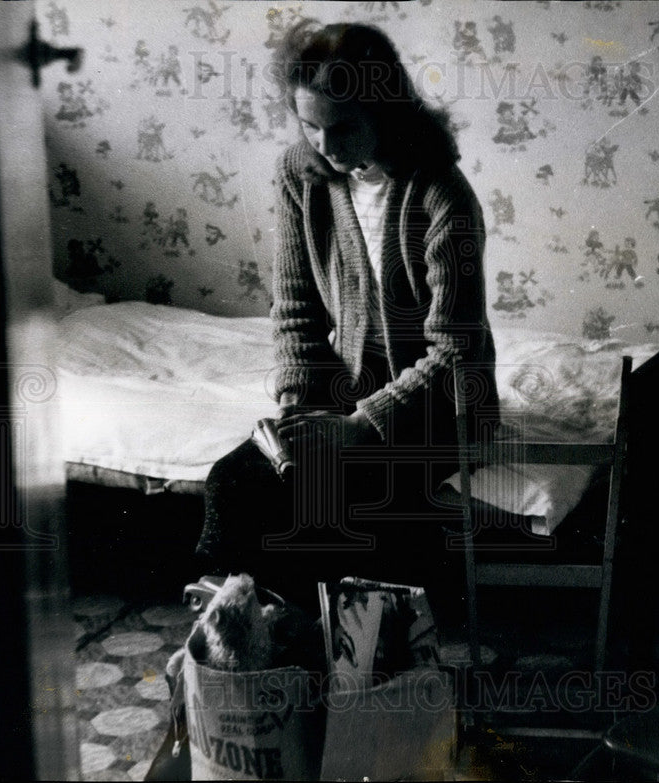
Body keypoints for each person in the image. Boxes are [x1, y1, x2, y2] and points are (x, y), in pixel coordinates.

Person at [196, 21, 498, 616]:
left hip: (438, 406)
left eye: (343, 127)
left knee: (337, 494)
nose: (325, 146)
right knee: (233, 480)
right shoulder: (299, 173)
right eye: (310, 125)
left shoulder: (442, 194)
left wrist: (360, 424)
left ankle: (324, 640)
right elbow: (296, 310)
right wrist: (295, 408)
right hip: (347, 390)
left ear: (386, 112)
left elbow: (454, 353)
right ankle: (240, 626)